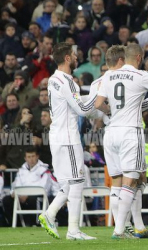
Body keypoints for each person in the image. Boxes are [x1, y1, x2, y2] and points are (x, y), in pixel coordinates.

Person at [94, 44, 148, 239]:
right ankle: (120, 230)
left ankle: (138, 227)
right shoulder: (141, 76)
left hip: (111, 132)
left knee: (121, 181)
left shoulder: (108, 76)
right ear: (139, 57)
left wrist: (112, 112)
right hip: (130, 132)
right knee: (131, 181)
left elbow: (98, 104)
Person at [38, 42, 107, 240]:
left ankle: (50, 214)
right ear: (67, 58)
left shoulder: (53, 79)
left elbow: (74, 102)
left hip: (57, 136)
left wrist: (93, 102)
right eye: (75, 56)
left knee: (68, 183)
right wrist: (98, 96)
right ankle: (73, 231)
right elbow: (82, 110)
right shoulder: (68, 81)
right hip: (68, 138)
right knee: (77, 182)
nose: (77, 58)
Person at [2, 147, 59, 226]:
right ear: (25, 158)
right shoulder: (21, 170)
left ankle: (35, 223)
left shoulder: (44, 170)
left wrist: (27, 194)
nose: (31, 159)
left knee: (32, 200)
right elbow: (16, 184)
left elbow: (44, 187)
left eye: (33, 156)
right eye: (29, 157)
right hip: (21, 195)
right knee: (7, 200)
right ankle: (17, 224)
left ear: (37, 156)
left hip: (38, 196)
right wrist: (15, 193)